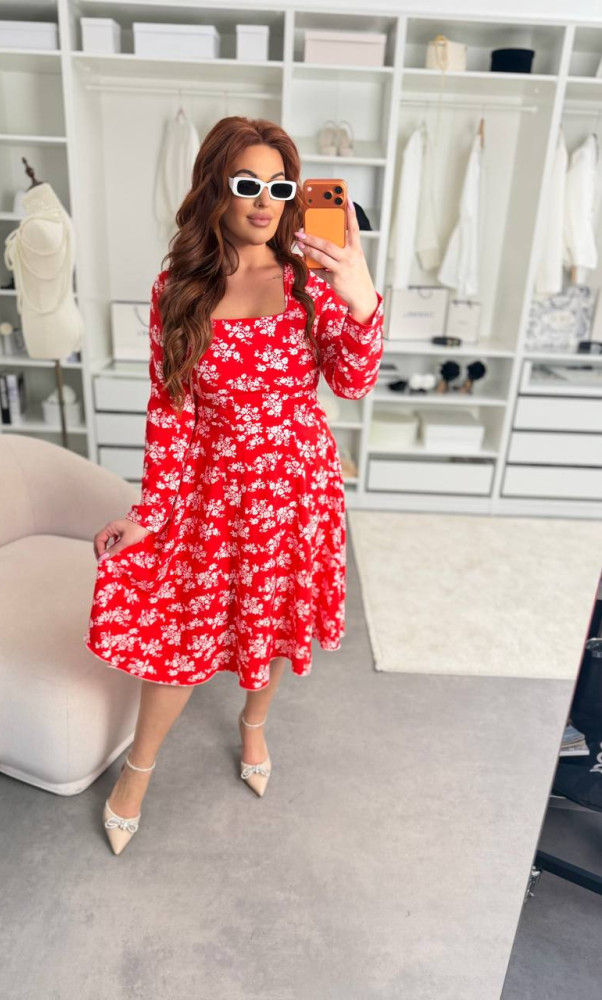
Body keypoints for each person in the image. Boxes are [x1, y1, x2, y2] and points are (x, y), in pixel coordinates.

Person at [84, 116, 384, 855]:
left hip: (297, 490)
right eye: (246, 183)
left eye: (280, 187)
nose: (264, 202)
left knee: (272, 619)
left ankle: (254, 727)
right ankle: (137, 775)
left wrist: (361, 295)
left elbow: (352, 382)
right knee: (183, 634)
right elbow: (171, 410)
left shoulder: (311, 282)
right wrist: (150, 512)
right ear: (214, 188)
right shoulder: (177, 288)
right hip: (214, 494)